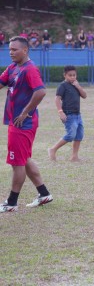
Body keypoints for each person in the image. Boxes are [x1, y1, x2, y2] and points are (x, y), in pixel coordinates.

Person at [0, 36, 53, 213]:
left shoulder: (30, 69)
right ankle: (44, 194)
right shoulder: (14, 67)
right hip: (16, 122)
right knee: (24, 158)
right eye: (9, 50)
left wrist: (25, 112)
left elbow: (41, 92)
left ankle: (11, 203)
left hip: (23, 123)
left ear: (25, 50)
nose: (11, 53)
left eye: (14, 50)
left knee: (17, 162)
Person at [48, 65, 87, 161]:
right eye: (70, 75)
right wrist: (60, 112)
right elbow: (57, 99)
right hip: (69, 115)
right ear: (64, 75)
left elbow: (84, 96)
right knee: (71, 135)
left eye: (74, 75)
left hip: (78, 115)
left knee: (79, 135)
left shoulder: (76, 85)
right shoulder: (63, 86)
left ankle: (74, 156)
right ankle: (53, 149)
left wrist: (78, 86)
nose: (73, 77)